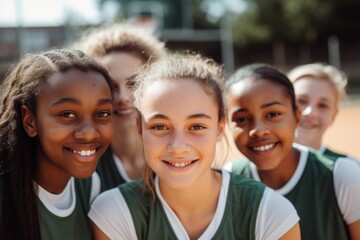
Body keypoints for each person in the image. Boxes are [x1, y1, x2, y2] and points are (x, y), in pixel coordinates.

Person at [88, 53, 301, 240]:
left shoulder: (270, 213)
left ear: (219, 128)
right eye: (160, 126)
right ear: (140, 129)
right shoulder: (115, 212)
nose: (178, 146)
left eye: (197, 126)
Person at [224, 63, 360, 239]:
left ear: (296, 116)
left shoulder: (344, 176)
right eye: (242, 118)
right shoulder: (227, 182)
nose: (258, 130)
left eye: (272, 114)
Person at [0, 49, 114, 240]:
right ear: (30, 121)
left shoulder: (89, 186)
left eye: (102, 114)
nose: (89, 133)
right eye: (67, 114)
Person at [70, 23, 167, 191]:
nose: (123, 97)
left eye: (134, 84)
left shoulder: (177, 154)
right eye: (110, 85)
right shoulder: (80, 165)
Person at [288, 63, 358, 160]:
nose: (310, 112)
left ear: (334, 116)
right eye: (301, 101)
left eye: (323, 105)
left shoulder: (348, 168)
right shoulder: (260, 162)